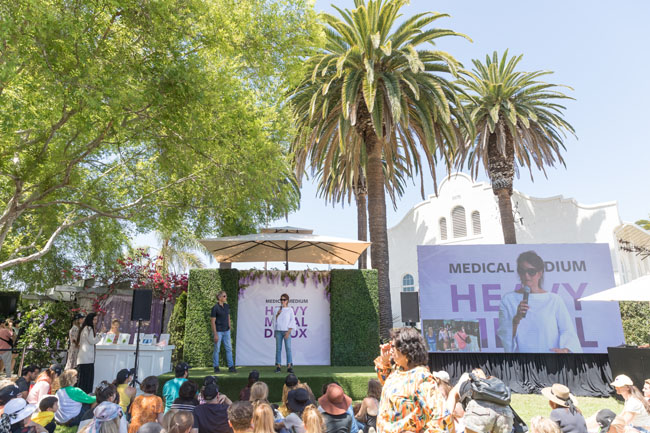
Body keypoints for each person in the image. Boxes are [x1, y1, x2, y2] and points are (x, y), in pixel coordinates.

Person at [497, 251, 582, 353]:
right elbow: (505, 337)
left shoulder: (554, 300)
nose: (526, 275)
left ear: (540, 273)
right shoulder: (508, 300)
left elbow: (567, 330)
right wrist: (516, 320)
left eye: (531, 271)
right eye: (522, 271)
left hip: (549, 357)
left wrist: (565, 350)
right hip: (522, 359)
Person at [374, 327, 451, 433]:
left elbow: (442, 415)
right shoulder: (398, 371)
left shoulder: (421, 378)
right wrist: (384, 360)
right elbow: (388, 385)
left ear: (405, 350)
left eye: (393, 346)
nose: (390, 349)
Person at [446, 369, 513, 433]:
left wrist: (447, 416)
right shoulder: (492, 385)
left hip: (480, 409)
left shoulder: (464, 381)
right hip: (505, 413)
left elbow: (450, 406)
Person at [76, 313, 103, 393]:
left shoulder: (84, 328)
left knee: (82, 380)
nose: (95, 321)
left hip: (84, 359)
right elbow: (92, 341)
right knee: (86, 381)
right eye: (94, 319)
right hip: (87, 359)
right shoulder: (88, 328)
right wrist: (101, 333)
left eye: (96, 320)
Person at [211, 291, 236, 374]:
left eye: (226, 296)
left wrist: (229, 326)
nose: (226, 297)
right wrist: (215, 334)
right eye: (224, 296)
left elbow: (228, 316)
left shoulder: (226, 306)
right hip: (218, 332)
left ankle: (231, 367)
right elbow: (212, 322)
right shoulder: (215, 308)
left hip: (226, 331)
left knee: (229, 349)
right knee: (217, 350)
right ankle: (216, 367)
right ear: (219, 297)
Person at [273, 294, 295, 374]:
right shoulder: (277, 309)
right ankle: (278, 366)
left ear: (287, 300)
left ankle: (289, 366)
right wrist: (278, 314)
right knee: (278, 349)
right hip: (278, 331)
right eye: (281, 299)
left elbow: (292, 321)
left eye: (284, 299)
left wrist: (288, 332)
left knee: (288, 348)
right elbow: (274, 320)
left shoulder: (290, 310)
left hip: (286, 331)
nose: (282, 301)